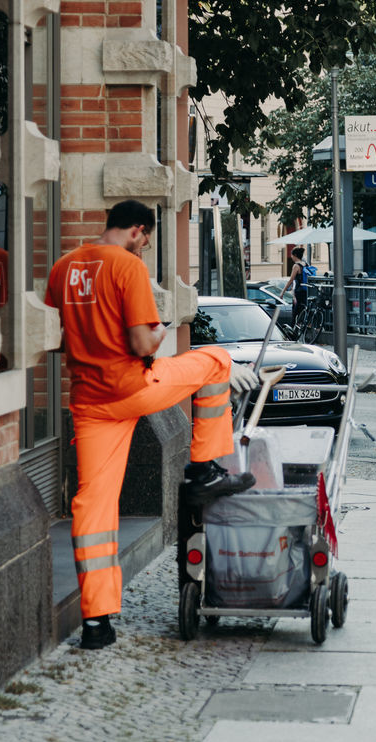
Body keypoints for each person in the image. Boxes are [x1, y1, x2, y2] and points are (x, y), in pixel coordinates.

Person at [45, 200, 259, 651]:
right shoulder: (127, 267)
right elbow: (142, 340)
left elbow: (54, 333)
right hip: (132, 388)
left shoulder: (63, 268)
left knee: (93, 509)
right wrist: (160, 331)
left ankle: (96, 622)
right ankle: (204, 467)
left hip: (88, 401)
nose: (144, 247)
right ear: (139, 231)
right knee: (216, 360)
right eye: (146, 239)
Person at [280, 245, 315, 328]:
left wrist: (283, 291)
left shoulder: (296, 266)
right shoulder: (305, 264)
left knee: (295, 312)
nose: (291, 257)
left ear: (295, 255)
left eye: (291, 255)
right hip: (305, 290)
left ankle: (292, 330)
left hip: (299, 291)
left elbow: (291, 280)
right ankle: (306, 325)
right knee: (303, 309)